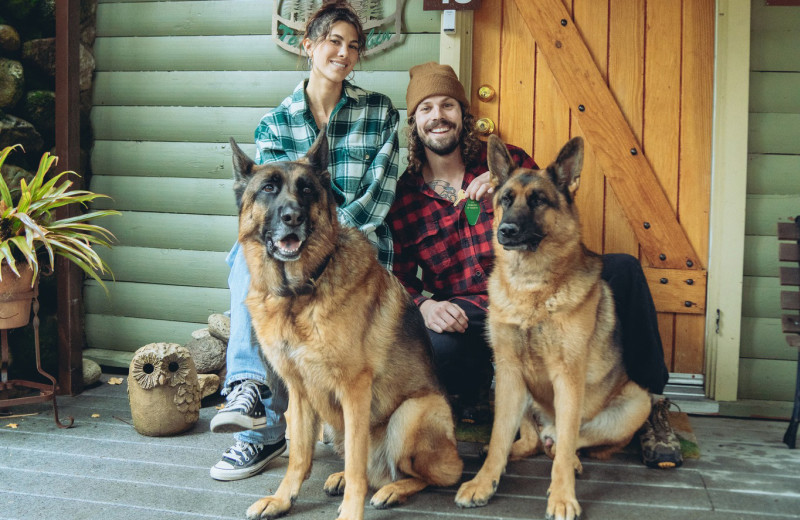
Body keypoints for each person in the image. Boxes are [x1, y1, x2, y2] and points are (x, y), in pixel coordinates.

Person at [386, 61, 682, 469]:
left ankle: (653, 403)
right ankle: (483, 400)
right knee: (432, 347)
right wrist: (424, 305)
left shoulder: (508, 166)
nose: (438, 116)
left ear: (463, 116)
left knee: (624, 270)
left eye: (448, 106)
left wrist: (505, 191)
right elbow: (397, 275)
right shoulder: (405, 197)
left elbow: (553, 211)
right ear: (415, 124)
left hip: (533, 295)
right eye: (426, 109)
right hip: (472, 315)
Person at [208, 0, 400, 481]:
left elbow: (378, 198)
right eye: (334, 41)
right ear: (308, 45)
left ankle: (263, 427)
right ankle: (249, 395)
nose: (344, 52)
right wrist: (309, 236)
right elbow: (278, 206)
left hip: (357, 256)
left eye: (353, 46)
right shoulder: (276, 123)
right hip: (297, 255)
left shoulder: (379, 113)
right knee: (246, 257)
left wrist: (329, 238)